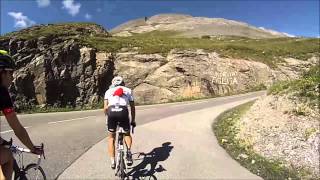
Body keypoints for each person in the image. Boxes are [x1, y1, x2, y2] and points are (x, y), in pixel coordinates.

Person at [0, 50, 43, 179]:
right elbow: (17, 128)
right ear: (2, 72)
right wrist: (32, 148)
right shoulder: (2, 93)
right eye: (11, 73)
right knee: (8, 157)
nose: (12, 77)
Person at [104, 76, 136, 169]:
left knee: (111, 137)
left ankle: (113, 161)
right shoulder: (128, 90)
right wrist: (133, 120)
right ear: (123, 83)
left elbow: (105, 108)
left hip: (111, 112)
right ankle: (129, 153)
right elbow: (132, 107)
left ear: (112, 84)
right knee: (127, 134)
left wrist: (107, 118)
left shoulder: (108, 91)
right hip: (123, 112)